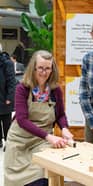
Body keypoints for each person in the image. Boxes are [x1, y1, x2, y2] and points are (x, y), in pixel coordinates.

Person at [4, 50, 74, 186]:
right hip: (20, 141)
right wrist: (49, 137)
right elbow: (22, 120)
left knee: (43, 175)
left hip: (41, 142)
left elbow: (60, 115)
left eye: (48, 68)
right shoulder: (22, 88)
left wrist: (64, 128)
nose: (44, 72)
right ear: (33, 68)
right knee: (17, 180)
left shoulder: (55, 90)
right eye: (40, 68)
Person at [0, 45, 16, 149]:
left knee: (6, 121)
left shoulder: (7, 63)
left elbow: (11, 82)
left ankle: (8, 141)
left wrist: (9, 98)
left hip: (4, 97)